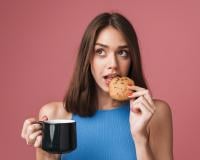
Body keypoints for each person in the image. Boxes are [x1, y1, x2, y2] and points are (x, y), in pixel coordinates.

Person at [21, 12, 173, 160]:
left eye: (122, 53)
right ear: (88, 58)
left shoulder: (155, 114)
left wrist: (140, 139)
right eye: (100, 51)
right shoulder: (54, 116)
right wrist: (46, 154)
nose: (113, 64)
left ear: (132, 59)